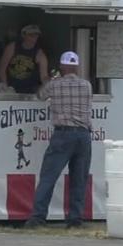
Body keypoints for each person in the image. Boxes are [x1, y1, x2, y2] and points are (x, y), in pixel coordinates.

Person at [24, 51, 93, 229]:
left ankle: (38, 217)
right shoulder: (86, 85)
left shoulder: (55, 85)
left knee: (48, 177)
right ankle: (75, 219)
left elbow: (40, 95)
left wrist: (47, 76)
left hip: (63, 134)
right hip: (83, 136)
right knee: (79, 178)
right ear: (76, 67)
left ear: (62, 67)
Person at [0, 24, 50, 94]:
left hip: (30, 91)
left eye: (36, 36)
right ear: (24, 35)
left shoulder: (40, 54)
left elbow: (44, 76)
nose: (33, 38)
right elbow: (2, 69)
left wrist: (49, 83)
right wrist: (5, 87)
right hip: (11, 89)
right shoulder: (12, 47)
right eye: (31, 35)